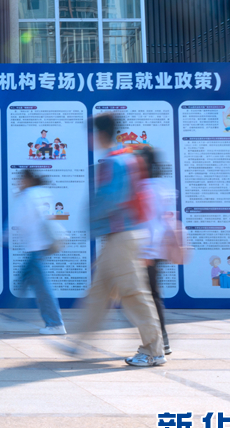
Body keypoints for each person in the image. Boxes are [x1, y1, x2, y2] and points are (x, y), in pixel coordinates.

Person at [72, 114, 165, 367]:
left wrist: (90, 219)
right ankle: (79, 343)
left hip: (121, 237)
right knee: (99, 292)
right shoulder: (124, 157)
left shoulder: (115, 162)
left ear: (99, 134)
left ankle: (153, 350)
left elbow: (110, 200)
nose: (89, 138)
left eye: (91, 133)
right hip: (120, 236)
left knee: (133, 293)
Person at [13, 170, 66, 335]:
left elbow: (22, 220)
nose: (18, 183)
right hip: (42, 245)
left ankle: (55, 323)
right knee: (25, 278)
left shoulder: (28, 195)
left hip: (34, 245)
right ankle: (13, 312)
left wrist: (8, 238)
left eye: (20, 180)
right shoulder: (43, 192)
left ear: (27, 180)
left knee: (42, 286)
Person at [135, 145, 172, 355]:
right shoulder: (161, 186)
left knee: (147, 297)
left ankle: (158, 342)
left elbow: (149, 224)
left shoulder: (145, 187)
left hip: (147, 250)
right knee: (152, 295)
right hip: (156, 249)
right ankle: (161, 340)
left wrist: (147, 254)